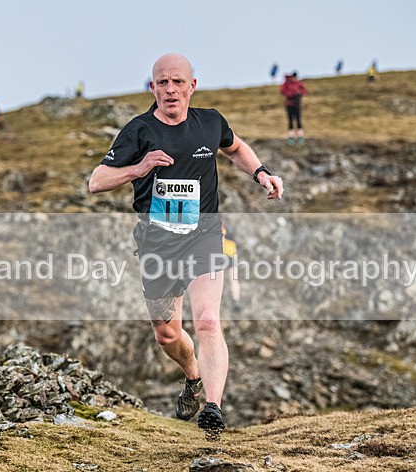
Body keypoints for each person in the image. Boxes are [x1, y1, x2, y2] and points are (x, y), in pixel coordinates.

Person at [89, 53, 283, 441]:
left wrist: (261, 173)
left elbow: (236, 147)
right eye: (162, 82)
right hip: (157, 243)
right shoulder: (138, 130)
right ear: (152, 88)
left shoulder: (210, 122)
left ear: (192, 86)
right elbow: (97, 181)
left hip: (205, 234)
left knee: (208, 320)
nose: (170, 90)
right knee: (167, 334)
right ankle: (192, 375)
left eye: (178, 82)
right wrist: (138, 168)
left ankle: (212, 408)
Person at [279, 71, 307, 145]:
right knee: (290, 121)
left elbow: (304, 91)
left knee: (298, 120)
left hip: (297, 104)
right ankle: (291, 137)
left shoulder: (298, 83)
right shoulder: (287, 83)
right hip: (289, 105)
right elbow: (282, 91)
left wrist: (299, 94)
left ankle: (300, 137)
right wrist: (291, 95)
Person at [221, 223, 242, 315]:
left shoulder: (220, 226)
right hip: (233, 254)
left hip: (224, 254)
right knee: (234, 279)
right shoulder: (229, 228)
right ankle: (236, 300)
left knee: (217, 277)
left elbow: (221, 237)